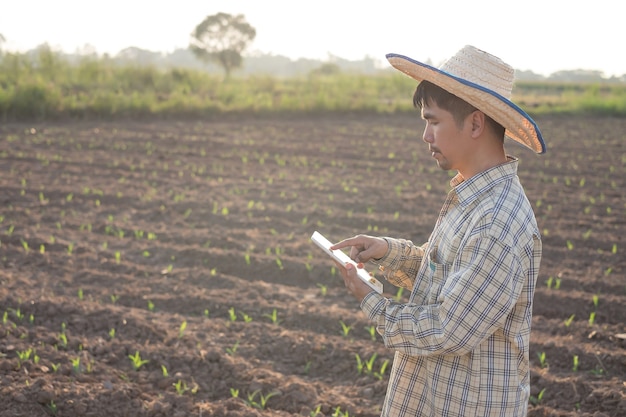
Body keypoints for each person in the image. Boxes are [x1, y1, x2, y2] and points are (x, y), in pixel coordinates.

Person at [331, 45, 546, 416]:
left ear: (476, 124)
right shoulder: (473, 198)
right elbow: (444, 278)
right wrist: (386, 250)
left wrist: (372, 301)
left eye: (433, 121)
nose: (426, 136)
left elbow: (449, 327)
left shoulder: (496, 220)